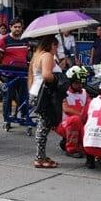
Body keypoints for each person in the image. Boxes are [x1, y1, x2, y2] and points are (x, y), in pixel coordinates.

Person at [28, 35, 61, 168]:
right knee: (43, 126)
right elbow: (47, 75)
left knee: (43, 125)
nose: (56, 50)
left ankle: (41, 155)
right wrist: (59, 79)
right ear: (51, 45)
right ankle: (39, 158)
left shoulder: (37, 54)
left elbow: (31, 76)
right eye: (56, 46)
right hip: (44, 95)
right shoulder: (47, 55)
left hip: (36, 92)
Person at [0, 17, 30, 121]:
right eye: (15, 27)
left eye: (19, 27)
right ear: (10, 27)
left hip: (23, 73)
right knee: (8, 96)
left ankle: (24, 115)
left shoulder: (25, 40)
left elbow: (27, 55)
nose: (17, 29)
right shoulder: (3, 41)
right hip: (8, 74)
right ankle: (7, 117)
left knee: (24, 96)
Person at [55, 65, 91, 158]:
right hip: (63, 124)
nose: (80, 85)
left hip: (81, 123)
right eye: (77, 82)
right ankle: (71, 149)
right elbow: (66, 109)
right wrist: (82, 115)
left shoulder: (84, 92)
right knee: (75, 119)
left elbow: (90, 106)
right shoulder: (64, 92)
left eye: (81, 82)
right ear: (70, 82)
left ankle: (71, 141)